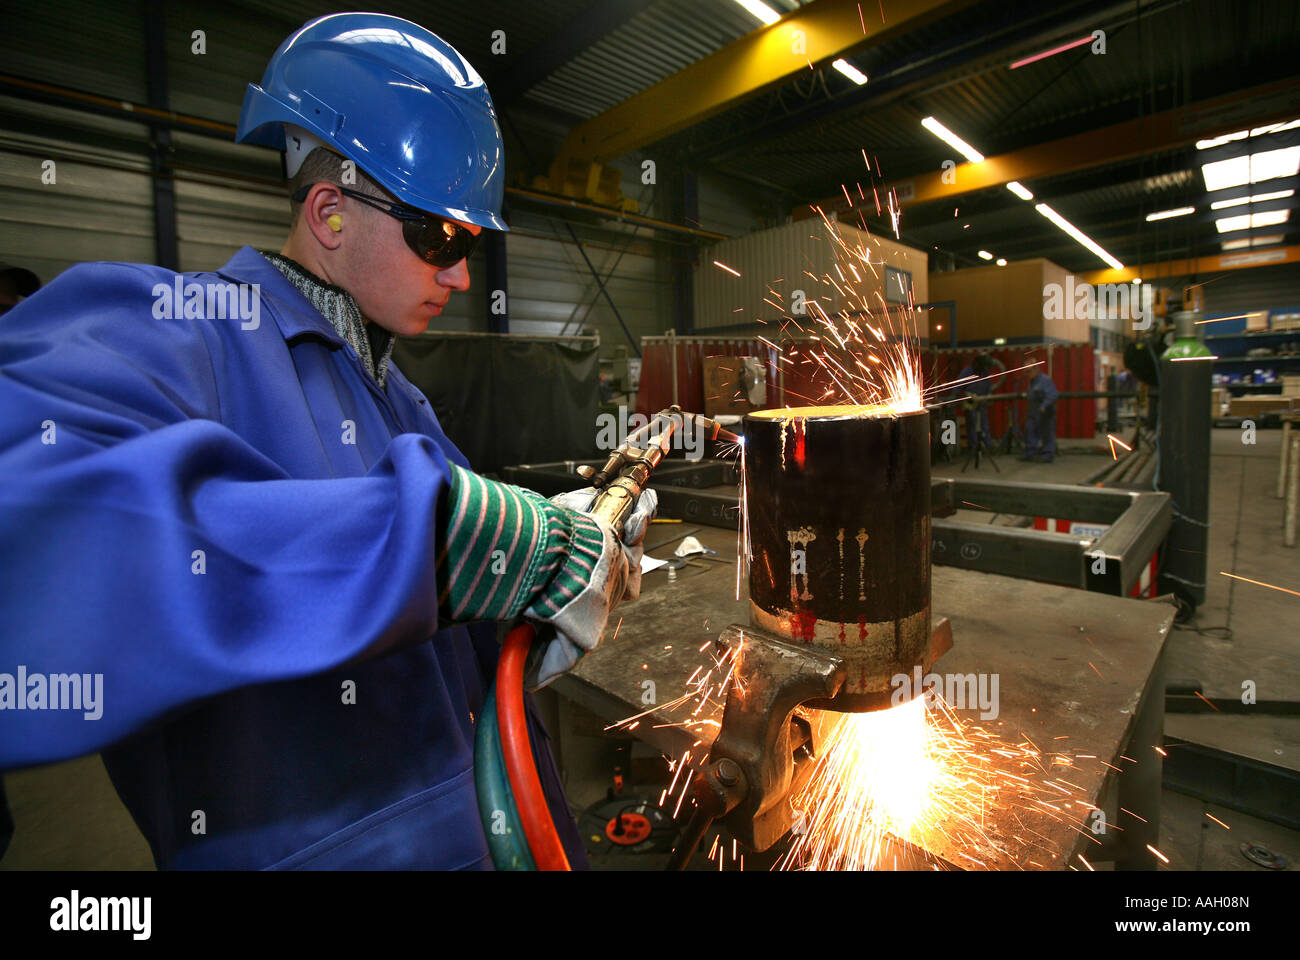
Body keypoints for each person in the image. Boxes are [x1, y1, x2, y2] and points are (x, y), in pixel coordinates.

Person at [0, 13, 654, 870]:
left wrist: (543, 591)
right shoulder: (177, 336)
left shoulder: (406, 405)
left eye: (472, 244)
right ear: (330, 211)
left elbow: (446, 639)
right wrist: (435, 545)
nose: (461, 275)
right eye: (440, 237)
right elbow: (36, 539)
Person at [956, 352, 1004, 453]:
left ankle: (987, 447)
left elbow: (987, 386)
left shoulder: (984, 372)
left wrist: (989, 396)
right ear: (977, 365)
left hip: (981, 403)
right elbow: (957, 389)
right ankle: (973, 449)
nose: (984, 370)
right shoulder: (967, 373)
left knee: (984, 425)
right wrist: (966, 398)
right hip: (971, 404)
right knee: (972, 426)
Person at [1020, 370, 1059, 463]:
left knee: (1047, 434)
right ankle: (1030, 453)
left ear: (1036, 370)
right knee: (1030, 431)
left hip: (1045, 412)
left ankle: (1048, 455)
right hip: (1034, 412)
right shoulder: (1032, 381)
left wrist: (1044, 406)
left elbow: (1053, 395)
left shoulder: (1045, 380)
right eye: (1026, 372)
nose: (1027, 374)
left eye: (1029, 371)